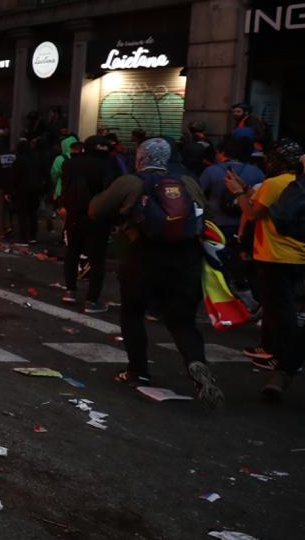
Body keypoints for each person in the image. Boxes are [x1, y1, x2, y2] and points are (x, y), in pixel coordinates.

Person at [90, 138, 222, 405]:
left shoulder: (132, 182)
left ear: (141, 158)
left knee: (132, 312)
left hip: (144, 254)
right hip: (186, 258)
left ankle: (138, 371)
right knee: (182, 321)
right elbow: (207, 215)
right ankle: (196, 363)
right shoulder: (188, 182)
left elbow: (96, 210)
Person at [228, 141, 305, 401]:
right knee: (282, 305)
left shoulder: (276, 184)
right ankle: (279, 358)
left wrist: (237, 193)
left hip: (275, 254)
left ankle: (282, 359)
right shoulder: (292, 183)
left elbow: (254, 213)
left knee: (280, 307)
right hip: (302, 254)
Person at [199, 135, 264, 297]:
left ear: (222, 152)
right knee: (241, 265)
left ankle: (220, 293)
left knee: (217, 262)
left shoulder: (211, 171)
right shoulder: (256, 172)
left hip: (217, 225)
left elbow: (199, 195)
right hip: (245, 226)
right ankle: (242, 294)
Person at [58, 136, 117, 312]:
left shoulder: (71, 164)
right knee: (97, 259)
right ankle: (92, 300)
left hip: (74, 215)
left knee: (72, 253)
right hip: (98, 216)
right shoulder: (108, 165)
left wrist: (63, 205)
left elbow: (65, 187)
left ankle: (70, 291)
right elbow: (112, 193)